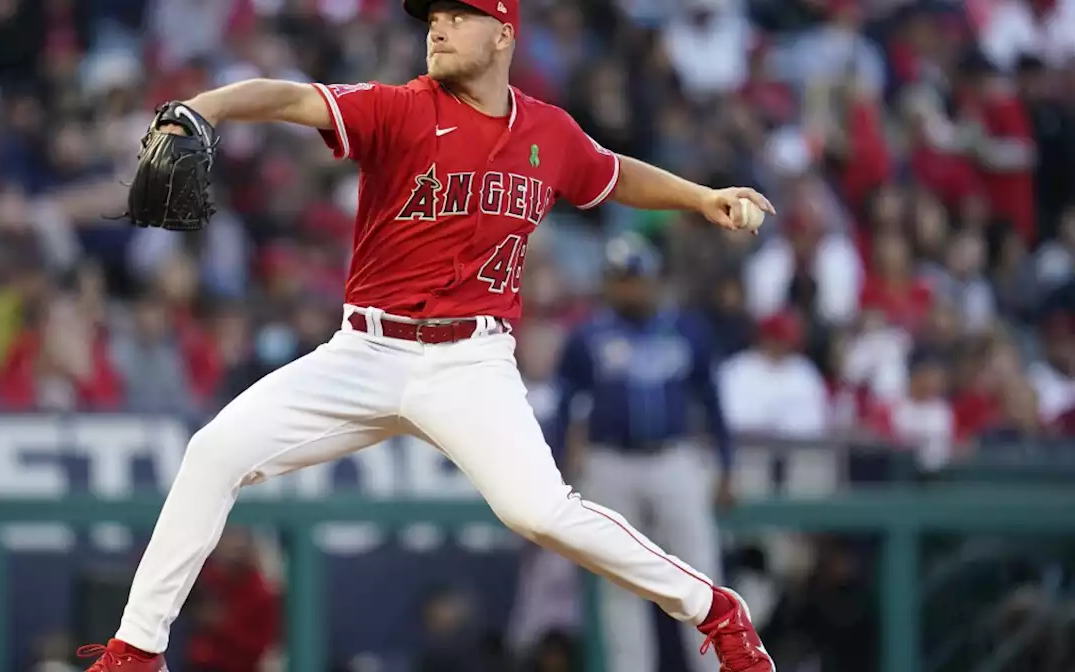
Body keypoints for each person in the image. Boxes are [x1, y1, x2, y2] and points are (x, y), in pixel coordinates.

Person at [80, 1, 777, 671]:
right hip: (366, 351)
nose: (437, 29)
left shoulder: (549, 133)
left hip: (471, 364)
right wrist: (206, 107)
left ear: (502, 34)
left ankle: (715, 610)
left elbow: (614, 174)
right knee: (213, 453)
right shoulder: (401, 106)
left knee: (540, 513)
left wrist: (701, 197)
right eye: (433, 19)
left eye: (456, 17)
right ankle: (135, 651)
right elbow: (290, 99)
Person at [555, 235, 733, 672]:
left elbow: (712, 401)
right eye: (622, 280)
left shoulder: (687, 328)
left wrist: (727, 465)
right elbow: (564, 404)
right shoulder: (589, 334)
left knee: (700, 576)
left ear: (655, 281)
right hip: (610, 461)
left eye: (637, 279)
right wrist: (558, 464)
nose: (630, 288)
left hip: (674, 457)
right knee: (621, 581)